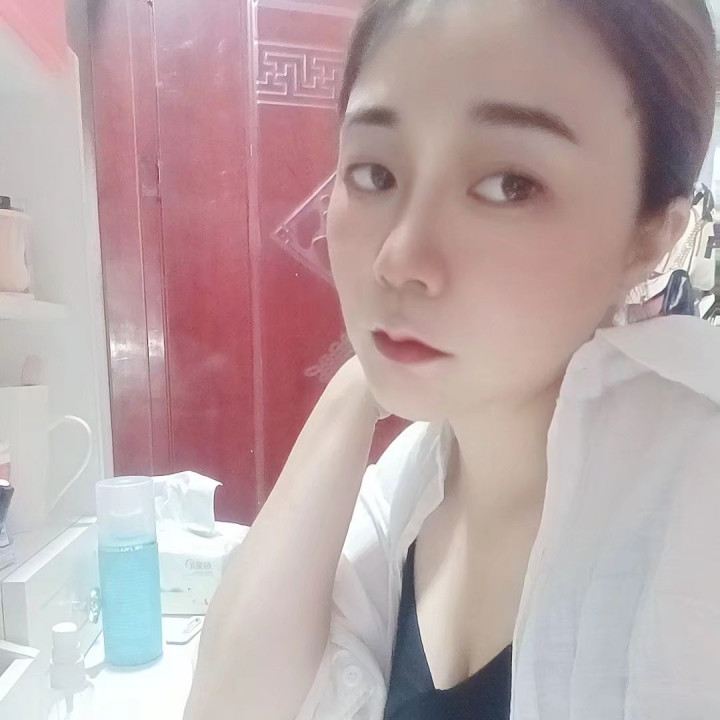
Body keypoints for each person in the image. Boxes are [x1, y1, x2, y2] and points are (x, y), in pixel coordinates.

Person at [185, 1, 720, 718]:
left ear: (649, 236)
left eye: (509, 185)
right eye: (373, 173)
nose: (399, 258)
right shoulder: (412, 482)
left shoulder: (698, 504)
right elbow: (234, 703)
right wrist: (357, 383)